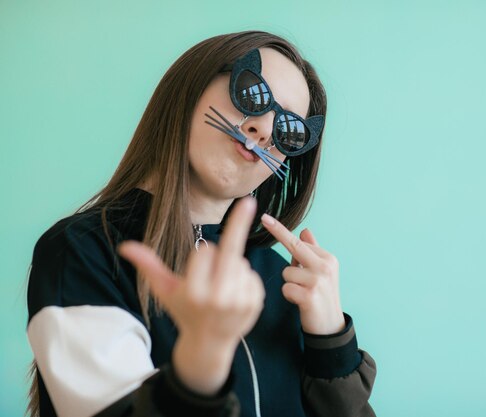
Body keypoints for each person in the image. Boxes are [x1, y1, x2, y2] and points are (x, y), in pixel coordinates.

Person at [26, 31, 376, 417]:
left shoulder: (282, 281)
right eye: (252, 92)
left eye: (289, 130)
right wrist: (201, 360)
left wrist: (330, 344)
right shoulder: (82, 252)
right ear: (191, 87)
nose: (263, 129)